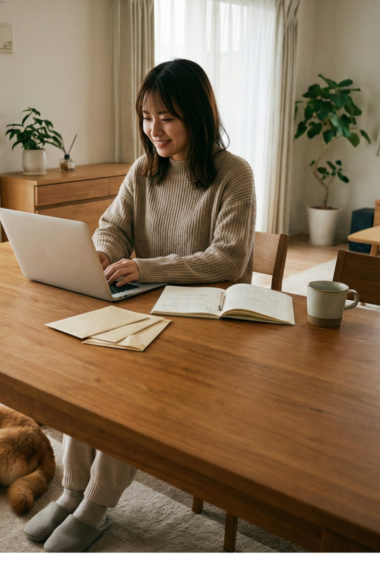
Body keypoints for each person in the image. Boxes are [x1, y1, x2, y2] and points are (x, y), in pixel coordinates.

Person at [24, 58, 256, 553]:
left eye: (166, 118)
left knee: (128, 392)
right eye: (147, 117)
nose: (154, 130)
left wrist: (145, 267)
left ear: (198, 116)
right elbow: (113, 225)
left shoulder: (234, 174)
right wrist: (103, 251)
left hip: (207, 325)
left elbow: (229, 259)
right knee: (89, 377)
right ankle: (71, 492)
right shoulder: (144, 169)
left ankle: (95, 508)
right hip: (147, 312)